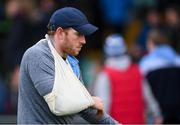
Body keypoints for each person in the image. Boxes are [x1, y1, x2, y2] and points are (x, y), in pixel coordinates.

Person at [17, 7, 118, 124]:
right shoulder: (36, 55)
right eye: (78, 34)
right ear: (60, 33)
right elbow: (58, 103)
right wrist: (90, 100)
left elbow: (86, 109)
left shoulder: (71, 62)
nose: (83, 41)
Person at [94, 34, 163, 124]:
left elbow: (103, 107)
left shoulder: (104, 75)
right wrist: (157, 115)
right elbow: (149, 98)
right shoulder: (138, 71)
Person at [140, 29, 180, 123]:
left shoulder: (145, 64)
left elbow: (142, 88)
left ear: (150, 43)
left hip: (157, 112)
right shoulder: (177, 60)